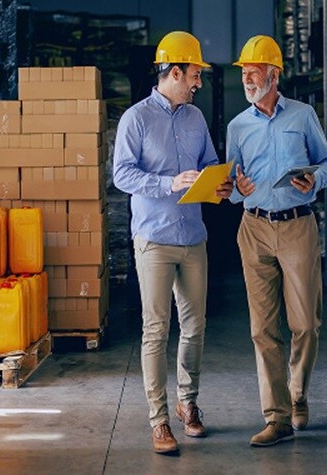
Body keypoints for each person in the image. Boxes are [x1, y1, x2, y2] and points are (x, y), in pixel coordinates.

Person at [112, 30, 233, 455]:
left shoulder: (196, 119)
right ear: (175, 72)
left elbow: (210, 165)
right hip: (155, 239)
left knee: (195, 327)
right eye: (194, 74)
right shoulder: (137, 119)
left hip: (193, 236)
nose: (198, 82)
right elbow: (122, 175)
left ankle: (188, 403)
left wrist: (219, 185)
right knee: (156, 329)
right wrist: (168, 183)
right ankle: (159, 420)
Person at [225, 35, 327, 447]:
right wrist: (237, 187)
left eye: (254, 71)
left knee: (306, 322)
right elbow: (232, 186)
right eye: (243, 72)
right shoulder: (237, 126)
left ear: (274, 75)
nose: (247, 78)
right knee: (263, 329)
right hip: (253, 227)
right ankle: (277, 417)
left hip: (297, 225)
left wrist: (316, 179)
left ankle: (298, 393)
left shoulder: (303, 116)